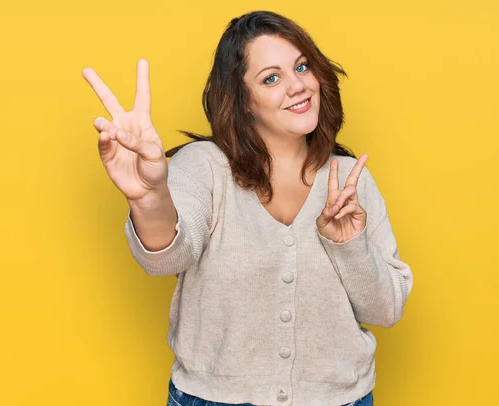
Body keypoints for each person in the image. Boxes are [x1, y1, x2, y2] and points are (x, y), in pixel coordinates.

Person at [82, 10, 413, 406]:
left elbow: (387, 308)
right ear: (243, 101)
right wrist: (147, 196)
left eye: (302, 67)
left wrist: (351, 245)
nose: (297, 86)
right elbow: (166, 258)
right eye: (271, 78)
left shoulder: (350, 179)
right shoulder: (205, 166)